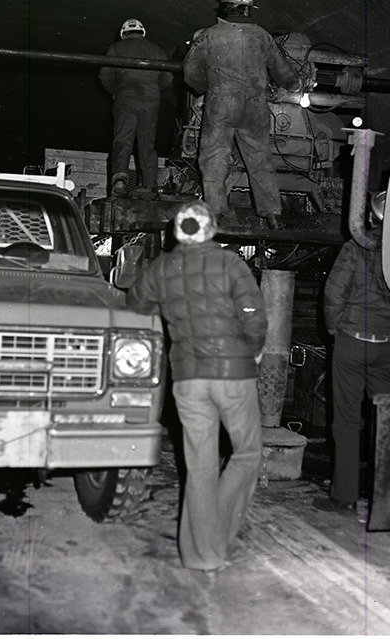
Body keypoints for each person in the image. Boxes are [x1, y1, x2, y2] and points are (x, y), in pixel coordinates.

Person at [127, 201, 268, 578]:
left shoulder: (162, 267)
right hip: (233, 374)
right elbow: (254, 315)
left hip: (188, 378)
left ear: (177, 232)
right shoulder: (231, 264)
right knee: (247, 452)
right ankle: (218, 528)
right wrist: (254, 350)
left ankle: (201, 554)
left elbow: (136, 304)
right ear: (211, 229)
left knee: (200, 464)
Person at [316, 190, 390, 513]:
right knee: (387, 424)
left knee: (347, 422)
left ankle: (345, 497)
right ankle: (387, 505)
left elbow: (334, 294)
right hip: (387, 348)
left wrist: (335, 328)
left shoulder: (355, 249)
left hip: (352, 342)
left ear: (371, 217)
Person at [181, 0, 305, 230]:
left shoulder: (209, 35)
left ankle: (216, 212)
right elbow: (281, 70)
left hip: (221, 104)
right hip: (255, 105)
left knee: (214, 157)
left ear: (227, 7)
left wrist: (206, 89)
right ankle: (272, 214)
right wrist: (294, 84)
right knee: (259, 157)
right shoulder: (262, 36)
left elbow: (190, 72)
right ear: (248, 10)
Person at [99, 18, 173, 196]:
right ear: (143, 32)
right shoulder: (157, 49)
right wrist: (153, 90)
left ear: (124, 33)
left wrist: (117, 91)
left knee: (123, 139)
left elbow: (105, 75)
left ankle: (119, 180)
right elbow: (168, 77)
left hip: (126, 96)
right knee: (147, 143)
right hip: (151, 99)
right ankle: (149, 186)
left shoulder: (116, 48)